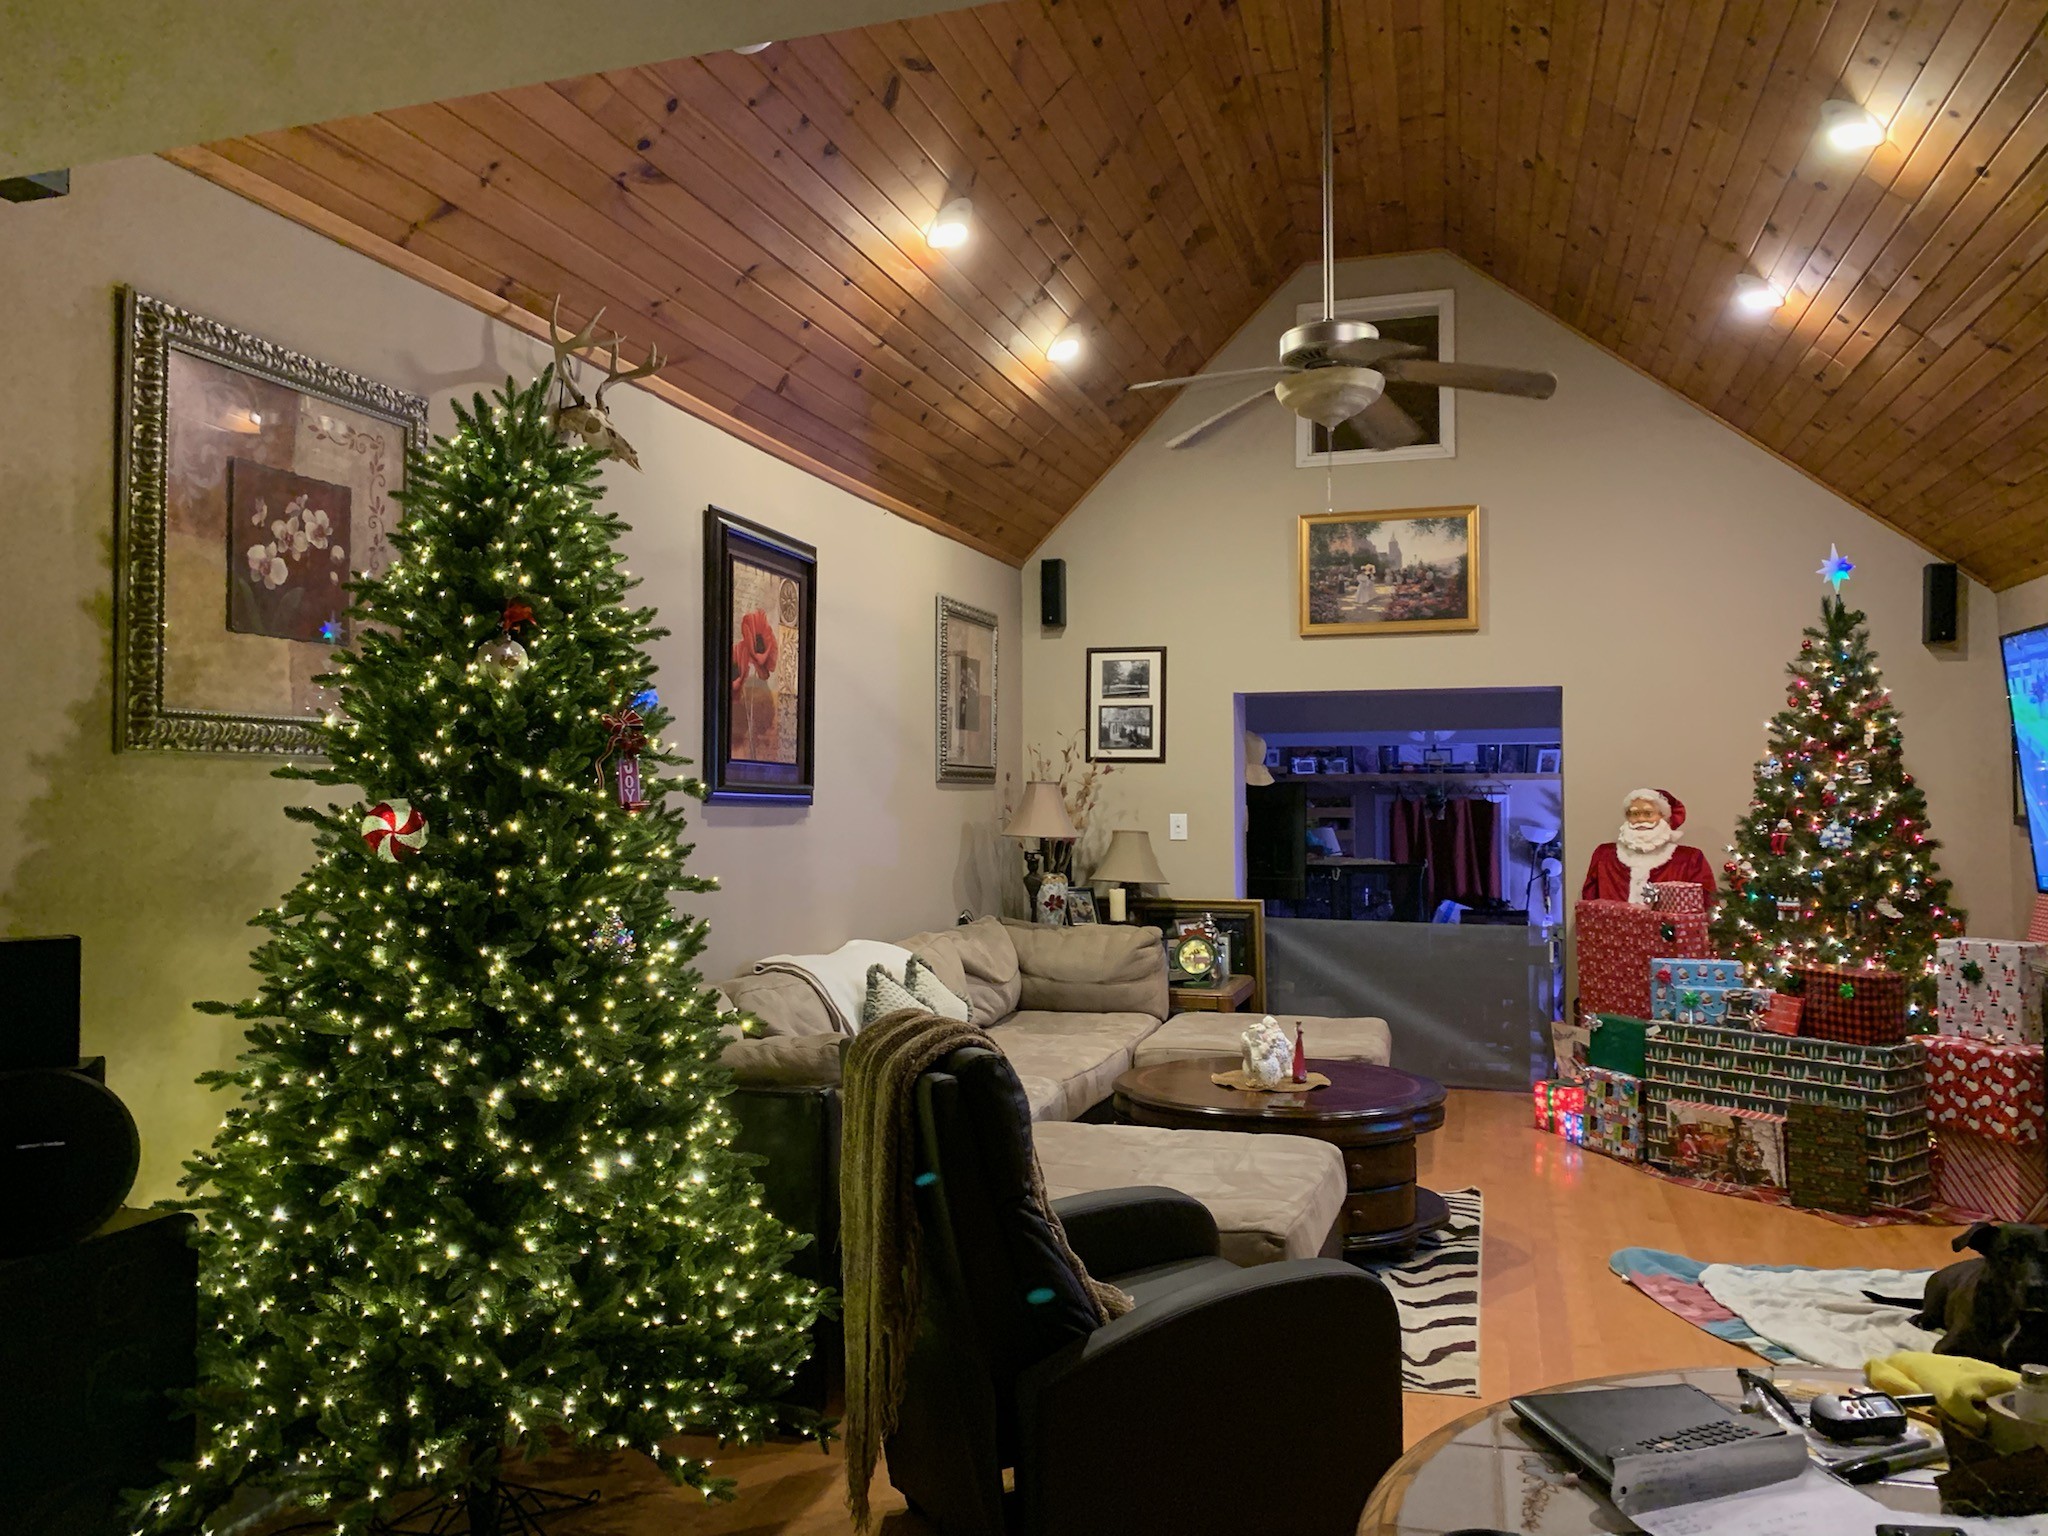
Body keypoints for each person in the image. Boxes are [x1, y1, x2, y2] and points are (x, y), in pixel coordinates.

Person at [1579, 787, 1717, 908]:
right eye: (1634, 814)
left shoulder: (1689, 860)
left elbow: (1705, 906)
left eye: (1648, 814)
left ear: (1664, 817)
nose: (1640, 820)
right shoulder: (1605, 856)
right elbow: (1590, 903)